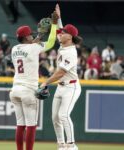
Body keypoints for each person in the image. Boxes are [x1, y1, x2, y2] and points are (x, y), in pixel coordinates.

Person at [9, 10, 58, 150]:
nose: (32, 35)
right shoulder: (33, 48)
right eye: (30, 34)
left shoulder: (14, 48)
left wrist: (36, 38)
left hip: (15, 90)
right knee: (31, 125)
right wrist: (54, 25)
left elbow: (29, 45)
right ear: (26, 37)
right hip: (28, 90)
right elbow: (51, 42)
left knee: (20, 124)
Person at [40, 4, 82, 150]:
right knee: (55, 118)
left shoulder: (71, 51)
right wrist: (58, 17)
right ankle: (61, 145)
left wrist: (45, 82)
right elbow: (59, 29)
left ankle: (72, 145)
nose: (60, 34)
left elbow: (60, 73)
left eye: (64, 33)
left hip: (71, 87)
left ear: (70, 36)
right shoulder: (64, 42)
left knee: (63, 115)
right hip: (61, 87)